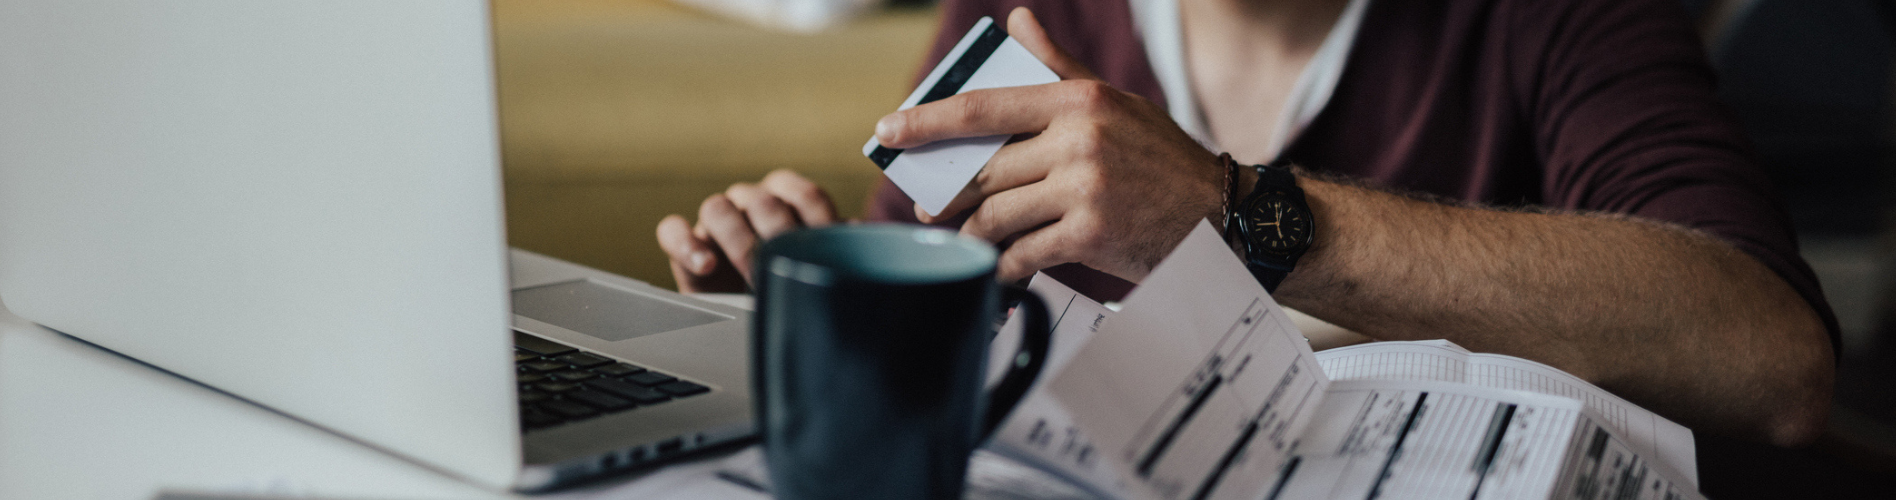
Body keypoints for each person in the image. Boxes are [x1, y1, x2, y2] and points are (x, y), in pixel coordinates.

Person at [655, 0, 1837, 446]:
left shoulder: (1555, 19)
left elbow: (1772, 360)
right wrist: (803, 312)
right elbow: (944, 341)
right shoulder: (1028, 13)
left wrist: (1241, 214)